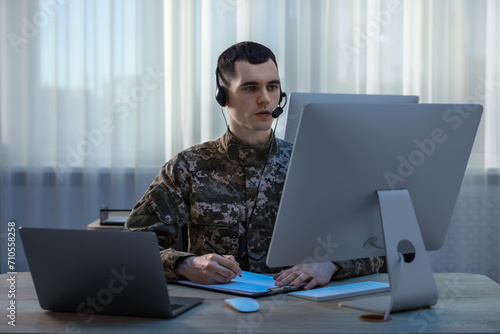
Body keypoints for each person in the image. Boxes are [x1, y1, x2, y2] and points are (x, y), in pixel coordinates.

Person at [125, 41, 383, 290]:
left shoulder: (310, 165)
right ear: (223, 96)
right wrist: (185, 264)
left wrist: (331, 265)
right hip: (214, 311)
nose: (265, 100)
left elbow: (375, 248)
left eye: (272, 87)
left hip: (297, 309)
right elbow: (131, 245)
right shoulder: (187, 166)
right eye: (250, 88)